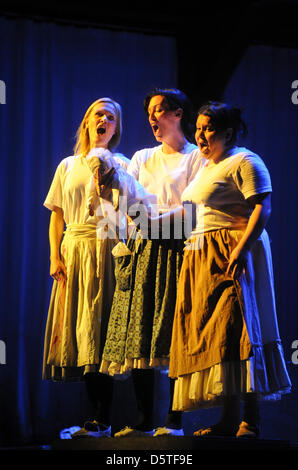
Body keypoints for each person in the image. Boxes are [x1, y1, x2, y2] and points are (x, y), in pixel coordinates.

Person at [166, 101, 291, 437]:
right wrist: (141, 221)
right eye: (199, 128)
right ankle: (227, 418)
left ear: (228, 132)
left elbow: (261, 208)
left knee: (239, 330)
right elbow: (189, 216)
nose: (201, 135)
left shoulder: (245, 160)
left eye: (209, 129)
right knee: (220, 336)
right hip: (201, 256)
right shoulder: (205, 169)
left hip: (231, 253)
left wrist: (240, 250)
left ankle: (250, 419)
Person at [100, 88, 207, 437]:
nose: (152, 117)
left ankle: (175, 420)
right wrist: (140, 219)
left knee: (174, 332)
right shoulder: (142, 157)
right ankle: (146, 418)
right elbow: (127, 201)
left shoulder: (195, 159)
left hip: (179, 251)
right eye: (149, 111)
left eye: (159, 110)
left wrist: (151, 220)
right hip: (144, 250)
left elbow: (192, 211)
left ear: (177, 114)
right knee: (140, 333)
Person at [42, 97, 134, 439]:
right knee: (81, 330)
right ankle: (95, 416)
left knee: (104, 329)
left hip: (109, 247)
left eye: (111, 117)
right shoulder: (68, 165)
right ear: (87, 122)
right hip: (76, 250)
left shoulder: (124, 164)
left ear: (116, 128)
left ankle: (103, 416)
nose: (105, 120)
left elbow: (132, 211)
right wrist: (55, 256)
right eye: (99, 114)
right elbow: (57, 214)